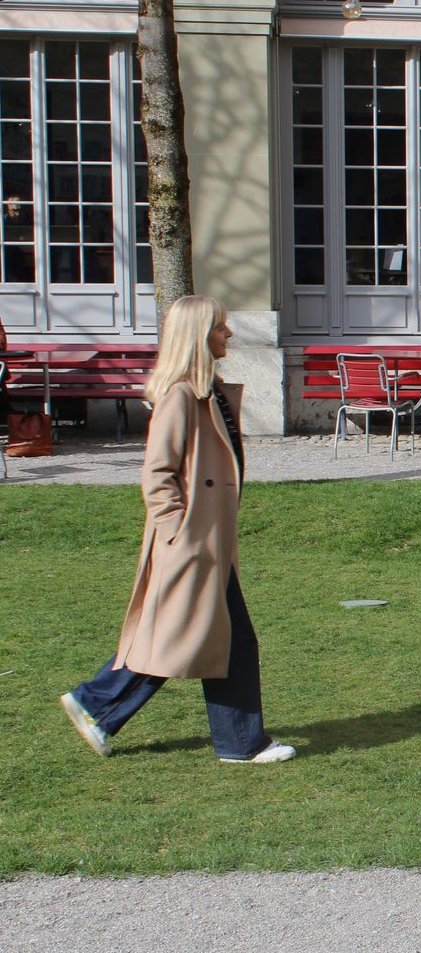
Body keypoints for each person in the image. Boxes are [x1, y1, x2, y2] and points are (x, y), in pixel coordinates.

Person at [59, 296, 295, 764]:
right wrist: (179, 535)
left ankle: (99, 705)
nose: (230, 334)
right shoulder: (181, 396)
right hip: (191, 542)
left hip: (207, 541)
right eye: (221, 327)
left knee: (206, 635)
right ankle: (232, 741)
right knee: (198, 636)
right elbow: (158, 475)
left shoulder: (207, 391)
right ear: (199, 336)